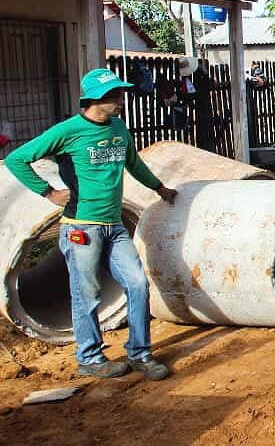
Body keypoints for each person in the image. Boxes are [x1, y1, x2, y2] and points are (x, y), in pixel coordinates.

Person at [4, 68, 177, 381]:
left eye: (121, 94)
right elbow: (18, 158)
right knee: (88, 294)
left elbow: (134, 163)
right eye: (115, 96)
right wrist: (48, 192)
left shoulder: (118, 128)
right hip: (82, 228)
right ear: (96, 98)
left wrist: (160, 188)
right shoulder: (68, 131)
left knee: (137, 283)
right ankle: (90, 358)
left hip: (114, 225)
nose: (121, 101)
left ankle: (140, 353)